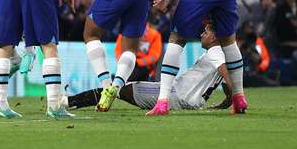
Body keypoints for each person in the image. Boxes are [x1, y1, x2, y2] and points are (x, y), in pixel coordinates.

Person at [66, 23, 233, 111]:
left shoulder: (216, 51)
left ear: (215, 37)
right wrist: (229, 98)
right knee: (117, 89)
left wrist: (233, 96)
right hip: (193, 100)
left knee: (116, 89)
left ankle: (68, 102)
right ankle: (71, 101)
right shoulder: (222, 52)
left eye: (206, 32)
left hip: (177, 95)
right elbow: (225, 75)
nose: (202, 34)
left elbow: (223, 70)